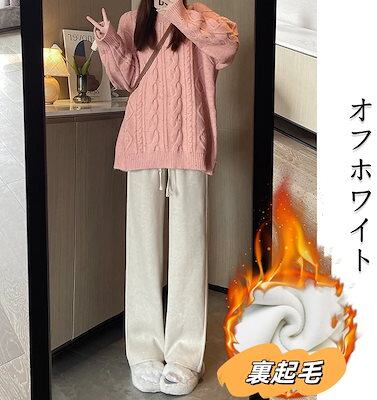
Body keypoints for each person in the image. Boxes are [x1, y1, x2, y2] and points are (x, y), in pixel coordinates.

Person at [86, 0, 239, 395]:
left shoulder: (199, 16)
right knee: (142, 253)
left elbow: (227, 47)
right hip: (141, 145)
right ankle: (144, 353)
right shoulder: (131, 21)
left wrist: (178, 13)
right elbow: (126, 79)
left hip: (188, 146)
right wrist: (110, 42)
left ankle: (185, 357)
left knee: (189, 253)